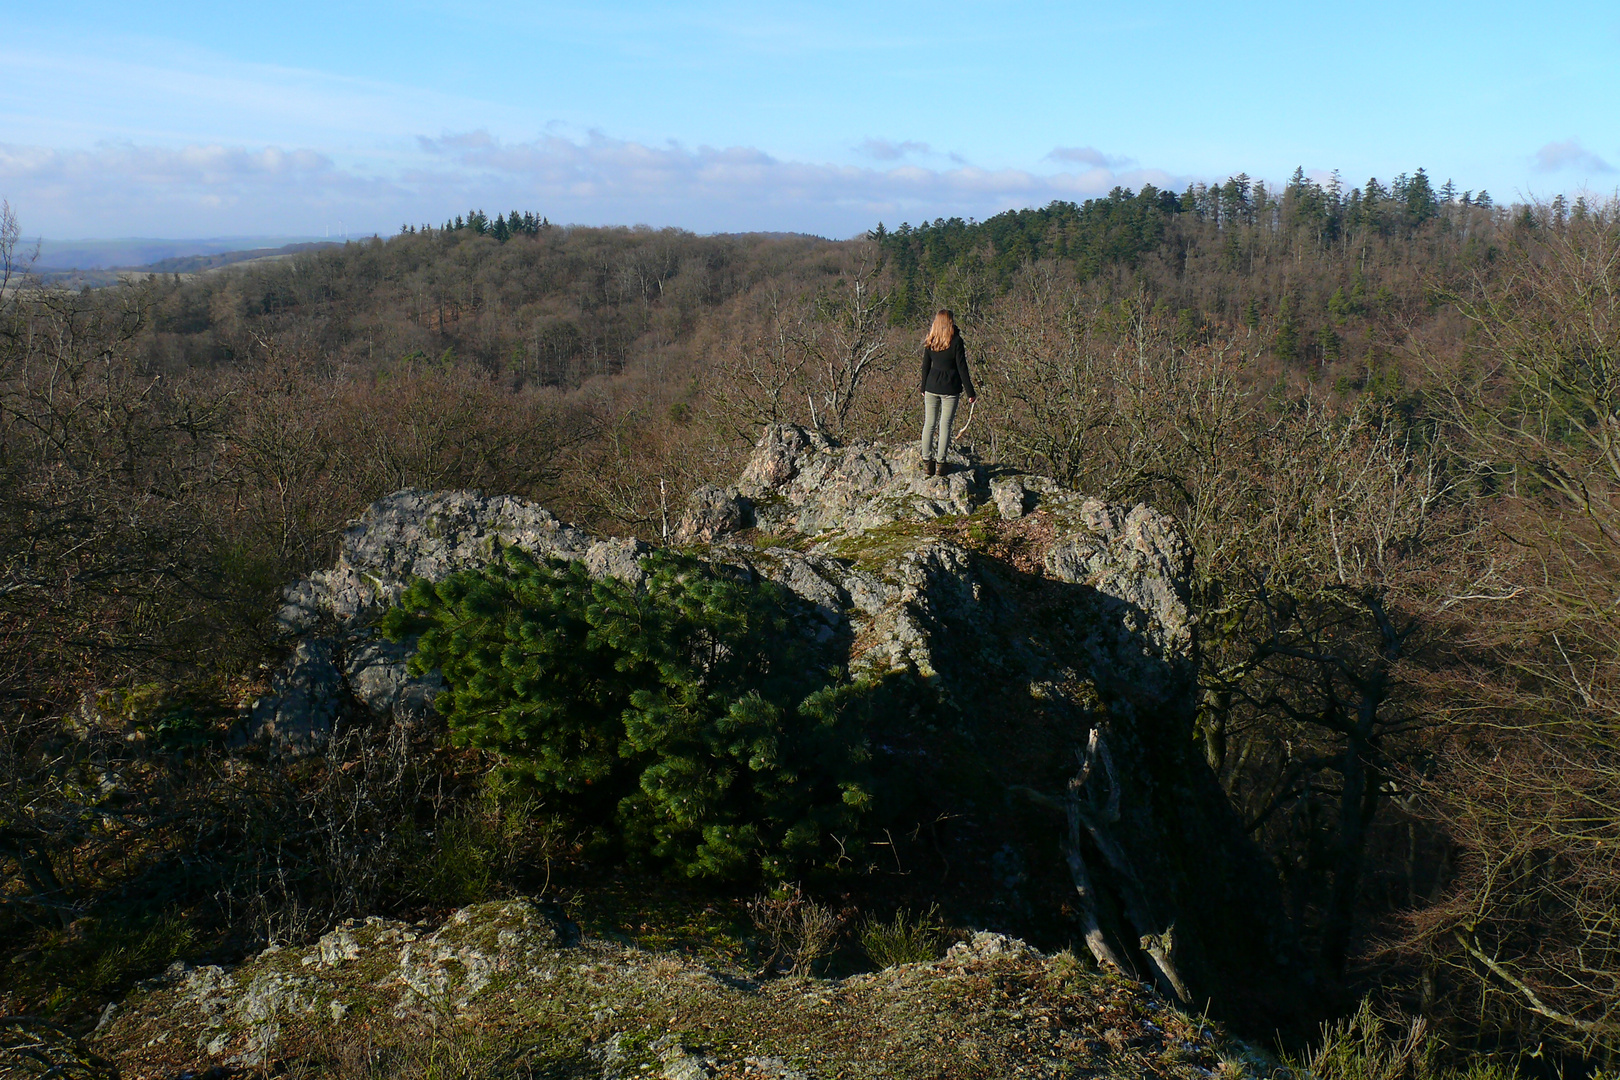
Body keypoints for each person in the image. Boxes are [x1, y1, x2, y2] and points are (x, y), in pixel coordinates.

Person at [918, 309, 976, 476]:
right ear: (950, 322)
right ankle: (941, 464)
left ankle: (927, 461)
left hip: (931, 386)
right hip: (950, 388)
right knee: (945, 425)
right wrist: (970, 391)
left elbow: (925, 367)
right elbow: (962, 368)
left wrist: (923, 387)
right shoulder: (956, 341)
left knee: (929, 424)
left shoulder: (930, 340)